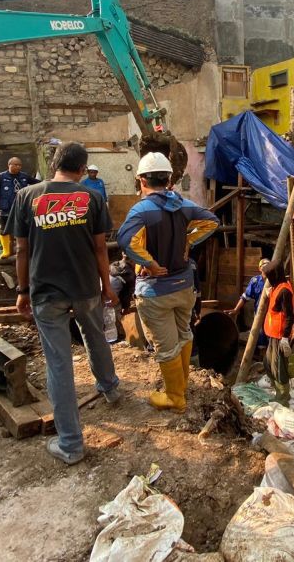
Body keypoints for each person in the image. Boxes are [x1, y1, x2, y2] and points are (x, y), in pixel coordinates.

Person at [10, 142, 121, 466]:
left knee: (59, 365)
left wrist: (22, 291)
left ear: (54, 163)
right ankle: (111, 389)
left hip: (46, 294)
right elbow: (102, 250)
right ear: (83, 170)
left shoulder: (27, 196)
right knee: (95, 336)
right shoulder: (93, 198)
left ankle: (71, 445)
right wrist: (106, 286)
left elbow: (21, 250)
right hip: (86, 288)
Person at [117, 151, 219, 412]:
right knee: (184, 333)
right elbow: (212, 221)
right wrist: (189, 241)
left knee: (165, 346)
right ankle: (181, 385)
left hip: (156, 292)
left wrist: (150, 264)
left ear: (141, 180)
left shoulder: (141, 210)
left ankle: (175, 397)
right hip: (185, 287)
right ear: (169, 178)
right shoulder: (183, 205)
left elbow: (127, 241)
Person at [261, 260, 294, 405]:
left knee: (279, 368)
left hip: (280, 336)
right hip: (272, 335)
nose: (267, 279)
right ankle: (278, 392)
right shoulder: (276, 287)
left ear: (274, 275)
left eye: (268, 276)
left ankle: (283, 397)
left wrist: (285, 338)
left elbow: (289, 316)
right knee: (268, 363)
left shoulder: (285, 291)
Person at [0, 156, 38, 258]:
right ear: (9, 165)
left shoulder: (24, 176)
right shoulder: (0, 177)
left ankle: (21, 249)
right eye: (16, 165)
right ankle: (6, 251)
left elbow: (36, 182)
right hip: (5, 208)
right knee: (3, 229)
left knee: (21, 228)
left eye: (20, 165)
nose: (18, 167)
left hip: (20, 208)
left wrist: (48, 182)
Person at [230, 258, 270, 328]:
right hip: (259, 313)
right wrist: (236, 309)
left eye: (268, 264)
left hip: (272, 315)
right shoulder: (255, 281)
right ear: (259, 269)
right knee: (258, 335)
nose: (266, 266)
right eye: (264, 264)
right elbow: (245, 297)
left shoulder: (275, 280)